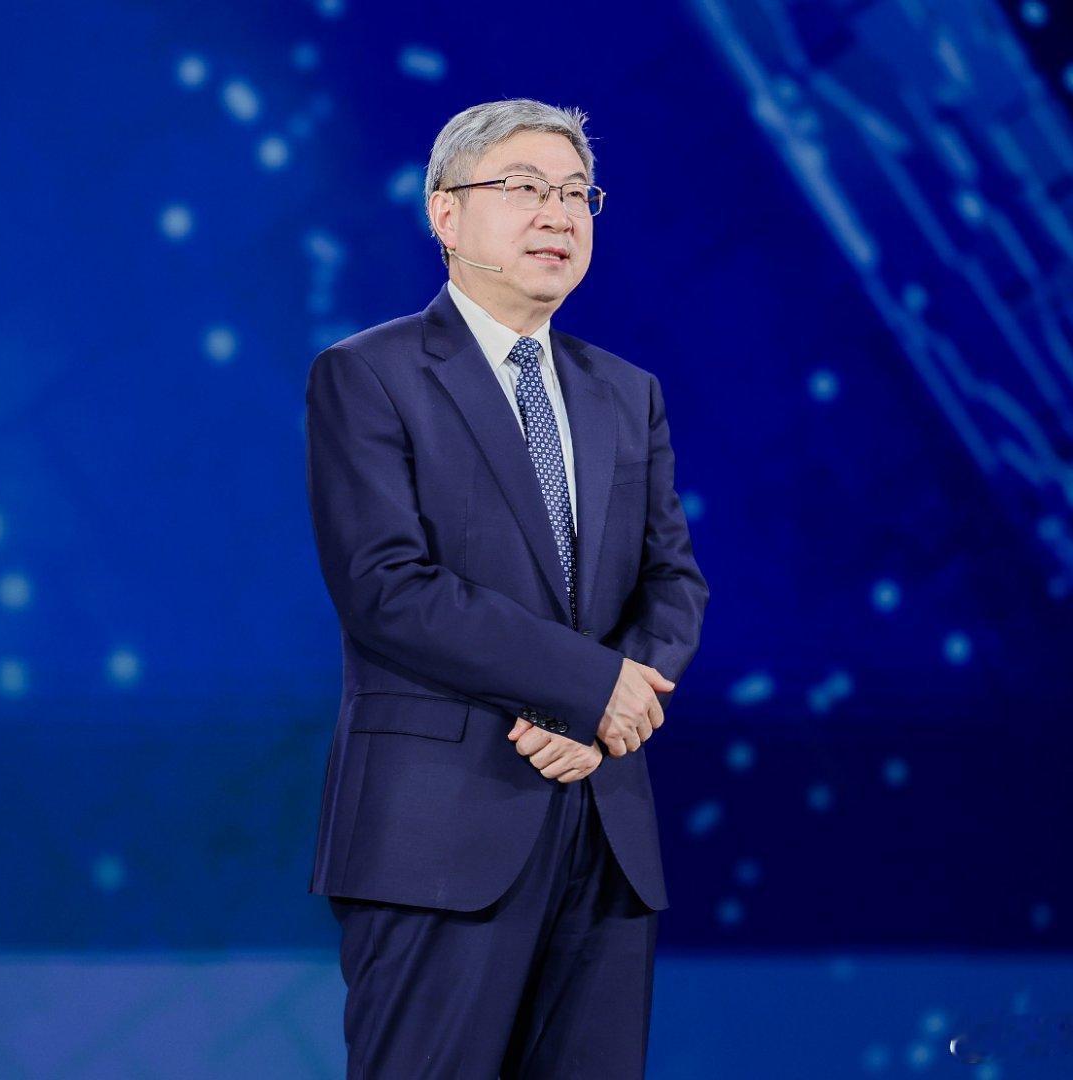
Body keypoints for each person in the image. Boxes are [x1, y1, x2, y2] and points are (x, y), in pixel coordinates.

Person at [303, 97, 708, 1078]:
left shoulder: (627, 392)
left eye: (577, 194)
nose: (558, 215)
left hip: (604, 830)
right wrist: (589, 687)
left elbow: (673, 582)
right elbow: (387, 588)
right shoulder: (368, 376)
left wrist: (606, 713)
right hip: (438, 834)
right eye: (526, 188)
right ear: (445, 214)